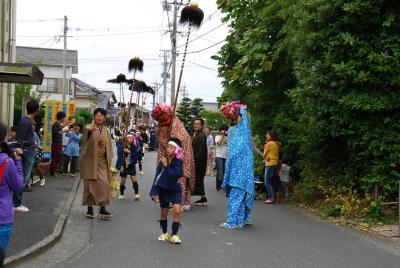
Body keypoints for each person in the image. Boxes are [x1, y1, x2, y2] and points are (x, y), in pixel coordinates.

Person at [151, 104, 195, 212]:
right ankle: (170, 200)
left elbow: (180, 142)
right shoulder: (163, 127)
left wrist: (173, 151)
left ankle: (181, 201)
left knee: (180, 178)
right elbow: (162, 142)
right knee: (166, 175)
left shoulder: (177, 128)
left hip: (179, 155)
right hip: (168, 154)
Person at [219, 101, 254, 229]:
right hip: (237, 169)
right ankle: (240, 219)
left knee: (237, 193)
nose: (234, 120)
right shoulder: (235, 131)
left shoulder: (243, 132)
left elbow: (244, 116)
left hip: (240, 169)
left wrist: (240, 109)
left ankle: (234, 221)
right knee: (240, 193)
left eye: (236, 117)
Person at [81, 108, 114, 220]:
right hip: (91, 161)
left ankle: (102, 208)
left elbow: (108, 146)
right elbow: (84, 138)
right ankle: (90, 209)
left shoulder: (106, 130)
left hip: (103, 162)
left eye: (101, 116)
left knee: (104, 184)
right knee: (90, 185)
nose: (99, 117)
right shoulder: (89, 127)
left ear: (104, 118)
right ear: (94, 117)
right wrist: (87, 130)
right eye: (97, 115)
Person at [150, 138, 184, 244]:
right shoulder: (162, 161)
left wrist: (167, 165)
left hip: (175, 189)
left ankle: (174, 234)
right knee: (163, 213)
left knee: (177, 211)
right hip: (163, 190)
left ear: (177, 150)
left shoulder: (179, 162)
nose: (168, 149)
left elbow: (174, 176)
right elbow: (157, 177)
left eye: (171, 147)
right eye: (168, 147)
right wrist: (154, 192)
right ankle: (164, 233)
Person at [0, 122, 24, 252]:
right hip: (2, 218)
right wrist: (18, 162)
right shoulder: (7, 163)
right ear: (4, 138)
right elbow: (18, 186)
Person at [13, 100, 39, 212]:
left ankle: (16, 202)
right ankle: (16, 203)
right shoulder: (26, 121)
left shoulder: (26, 121)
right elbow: (20, 140)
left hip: (27, 152)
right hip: (26, 153)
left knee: (23, 178)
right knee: (23, 178)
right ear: (36, 110)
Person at [118, 133, 140, 200]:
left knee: (134, 179)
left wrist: (129, 152)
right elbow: (120, 156)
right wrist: (121, 165)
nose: (131, 139)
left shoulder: (134, 146)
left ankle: (137, 194)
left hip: (131, 165)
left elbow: (136, 155)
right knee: (123, 180)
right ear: (126, 139)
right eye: (130, 138)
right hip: (124, 165)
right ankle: (121, 194)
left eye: (132, 138)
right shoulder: (122, 146)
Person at [192, 117, 208, 206]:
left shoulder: (202, 135)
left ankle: (185, 198)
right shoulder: (197, 134)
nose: (196, 125)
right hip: (197, 161)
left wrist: (193, 160)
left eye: (198, 124)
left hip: (199, 162)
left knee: (197, 179)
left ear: (201, 125)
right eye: (194, 124)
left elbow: (200, 150)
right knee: (198, 180)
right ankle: (203, 197)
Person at [263, 130, 281, 204]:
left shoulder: (269, 143)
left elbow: (264, 155)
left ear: (271, 136)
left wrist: (265, 147)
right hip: (275, 163)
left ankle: (271, 198)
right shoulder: (276, 143)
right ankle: (273, 197)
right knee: (272, 181)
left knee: (267, 181)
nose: (266, 136)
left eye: (267, 134)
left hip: (270, 164)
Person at [50, 111, 68, 176]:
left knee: (58, 157)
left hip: (59, 143)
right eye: (64, 118)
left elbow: (63, 126)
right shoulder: (55, 124)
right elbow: (56, 133)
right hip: (56, 143)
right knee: (55, 157)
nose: (64, 119)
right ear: (61, 118)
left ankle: (55, 170)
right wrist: (64, 131)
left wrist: (69, 120)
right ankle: (52, 172)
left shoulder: (59, 124)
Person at [215, 125, 228, 191]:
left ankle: (223, 185)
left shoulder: (228, 138)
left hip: (226, 156)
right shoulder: (217, 136)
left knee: (225, 172)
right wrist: (222, 136)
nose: (224, 131)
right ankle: (219, 186)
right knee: (220, 172)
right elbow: (219, 143)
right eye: (223, 130)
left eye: (225, 130)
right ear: (220, 130)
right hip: (219, 156)